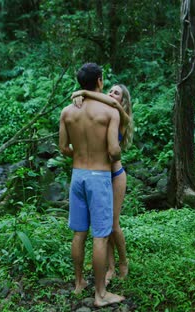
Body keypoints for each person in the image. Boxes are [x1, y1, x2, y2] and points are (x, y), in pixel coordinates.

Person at [58, 63, 125, 307]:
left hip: (77, 175)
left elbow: (64, 148)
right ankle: (100, 294)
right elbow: (114, 150)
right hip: (99, 177)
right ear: (99, 81)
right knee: (100, 236)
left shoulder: (67, 112)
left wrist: (79, 155)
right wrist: (111, 155)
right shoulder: (109, 112)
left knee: (79, 232)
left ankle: (79, 283)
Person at [71, 84, 133, 285]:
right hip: (98, 175)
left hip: (115, 174)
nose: (112, 94)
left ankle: (123, 263)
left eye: (117, 93)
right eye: (111, 91)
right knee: (102, 226)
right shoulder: (101, 114)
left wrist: (85, 92)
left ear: (123, 102)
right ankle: (111, 268)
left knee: (113, 225)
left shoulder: (122, 117)